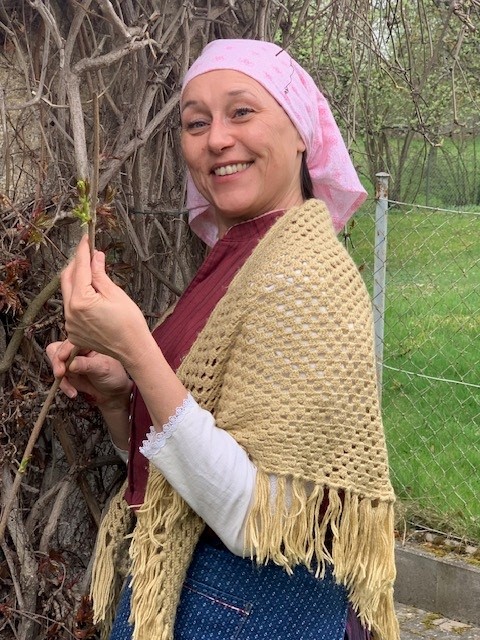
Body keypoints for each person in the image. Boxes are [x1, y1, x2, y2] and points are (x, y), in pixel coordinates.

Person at [47, 39, 399, 640]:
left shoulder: (303, 275)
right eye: (196, 123)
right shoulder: (241, 258)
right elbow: (181, 472)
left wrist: (138, 350)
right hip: (202, 604)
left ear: (300, 133)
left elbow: (259, 519)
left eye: (241, 112)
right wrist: (119, 396)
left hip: (252, 615)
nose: (216, 139)